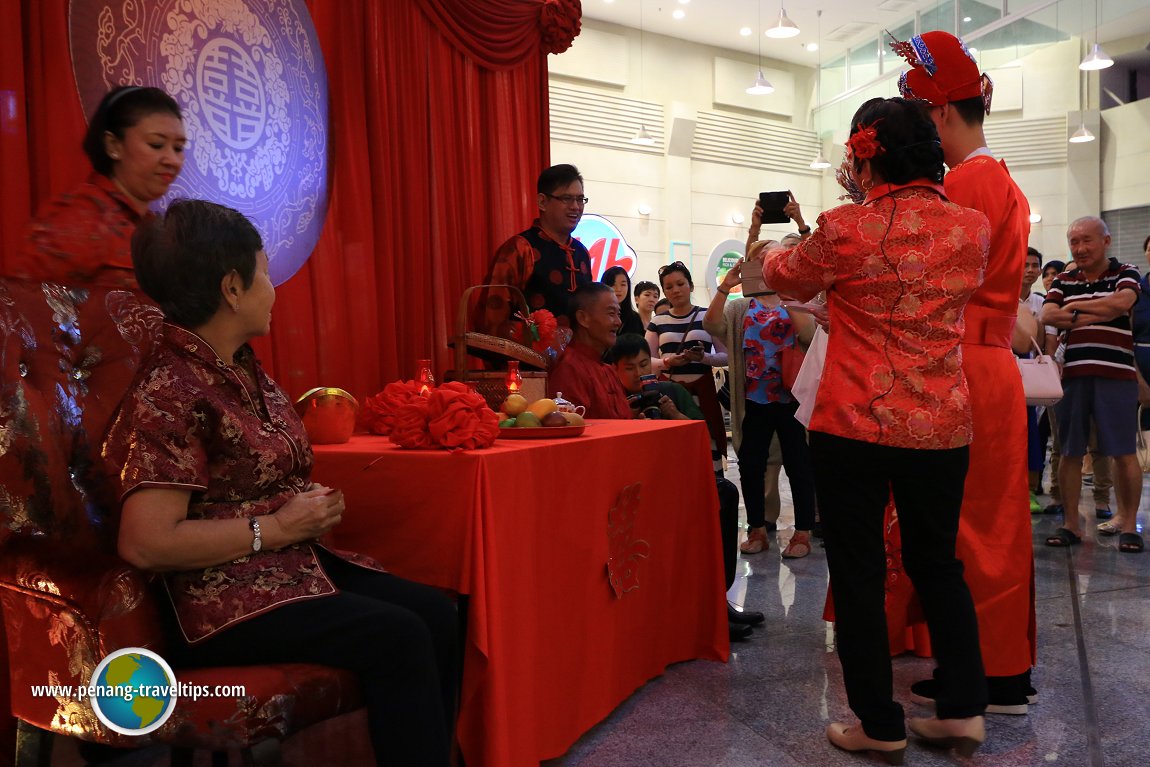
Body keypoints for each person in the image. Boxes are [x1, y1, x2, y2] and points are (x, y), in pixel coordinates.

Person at [103, 200, 458, 767]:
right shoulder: (168, 391)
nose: (274, 287)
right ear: (233, 288)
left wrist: (296, 512)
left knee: (439, 614)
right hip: (215, 602)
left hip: (282, 569)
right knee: (400, 635)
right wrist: (276, 526)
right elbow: (146, 542)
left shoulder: (236, 364)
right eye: (265, 272)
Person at [766, 96, 991, 761]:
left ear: (867, 157)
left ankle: (879, 723)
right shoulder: (972, 227)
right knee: (938, 563)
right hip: (942, 424)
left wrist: (780, 241)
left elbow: (782, 275)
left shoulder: (845, 228)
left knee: (861, 570)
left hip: (854, 424)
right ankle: (962, 710)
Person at [893, 29, 1037, 713]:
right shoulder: (996, 177)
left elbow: (934, 282)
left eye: (918, 119)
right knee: (993, 523)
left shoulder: (967, 184)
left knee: (967, 529)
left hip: (965, 366)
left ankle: (986, 676)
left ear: (941, 114)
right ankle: (996, 669)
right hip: (991, 363)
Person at [608, 333, 765, 641]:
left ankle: (718, 597)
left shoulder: (669, 391)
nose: (639, 374)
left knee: (725, 493)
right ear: (613, 370)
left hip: (673, 478)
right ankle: (707, 607)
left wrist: (673, 415)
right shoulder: (613, 399)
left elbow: (700, 433)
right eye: (629, 368)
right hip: (632, 487)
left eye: (643, 364)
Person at [703, 240, 818, 560]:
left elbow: (807, 336)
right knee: (751, 465)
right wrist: (726, 287)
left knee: (799, 466)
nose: (771, 263)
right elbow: (712, 326)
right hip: (754, 399)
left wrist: (790, 294)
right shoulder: (741, 308)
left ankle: (803, 531)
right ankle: (756, 528)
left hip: (791, 398)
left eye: (777, 257)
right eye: (764, 259)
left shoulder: (794, 299)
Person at [8, 86, 186, 288]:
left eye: (178, 148)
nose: (172, 160)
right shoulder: (80, 219)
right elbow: (19, 303)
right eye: (156, 144)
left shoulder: (154, 226)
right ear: (113, 145)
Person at [1041, 217, 1144, 553]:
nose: (1080, 248)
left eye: (1087, 240)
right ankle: (1071, 523)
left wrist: (1072, 307)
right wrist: (1095, 310)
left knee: (1123, 453)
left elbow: (1122, 303)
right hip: (1073, 375)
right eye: (1074, 242)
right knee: (1069, 451)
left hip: (1117, 374)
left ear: (1106, 240)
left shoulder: (1125, 270)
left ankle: (1129, 525)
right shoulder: (1064, 278)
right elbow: (1047, 316)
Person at [482, 164, 592, 332]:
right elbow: (492, 317)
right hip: (528, 356)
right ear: (542, 202)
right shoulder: (520, 248)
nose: (576, 207)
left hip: (577, 358)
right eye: (566, 199)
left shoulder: (582, 253)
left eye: (580, 199)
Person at [647, 262, 729, 474]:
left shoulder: (707, 316)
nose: (675, 290)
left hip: (704, 393)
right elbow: (645, 360)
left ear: (691, 286)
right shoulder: (658, 321)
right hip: (671, 395)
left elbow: (726, 356)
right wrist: (667, 362)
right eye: (669, 287)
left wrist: (703, 358)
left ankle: (712, 498)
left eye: (680, 284)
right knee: (675, 454)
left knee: (708, 450)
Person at [547, 282, 631, 419]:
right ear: (583, 318)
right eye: (611, 313)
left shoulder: (609, 370)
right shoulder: (569, 368)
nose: (618, 322)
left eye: (618, 314)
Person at [602, 266, 645, 336]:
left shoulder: (634, 319)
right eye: (613, 284)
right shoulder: (597, 315)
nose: (618, 289)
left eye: (623, 284)